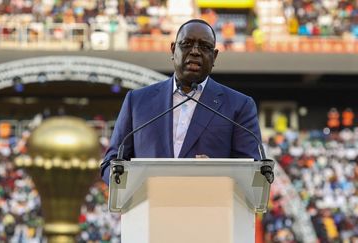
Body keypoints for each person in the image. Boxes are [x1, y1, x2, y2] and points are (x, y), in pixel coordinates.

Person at [100, 19, 262, 184]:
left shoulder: (239, 106)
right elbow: (111, 163)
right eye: (187, 43)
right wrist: (131, 180)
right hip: (148, 206)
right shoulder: (137, 101)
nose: (195, 52)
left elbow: (252, 172)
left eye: (205, 47)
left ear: (214, 57)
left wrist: (216, 172)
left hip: (210, 206)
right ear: (173, 49)